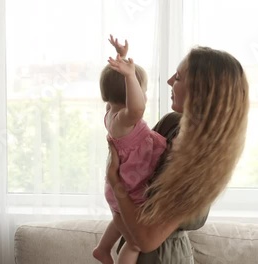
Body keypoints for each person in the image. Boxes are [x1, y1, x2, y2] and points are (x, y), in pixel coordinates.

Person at [106, 43, 249, 263]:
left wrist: (114, 182)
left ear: (202, 91)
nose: (169, 81)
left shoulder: (203, 160)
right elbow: (129, 167)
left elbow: (146, 239)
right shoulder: (170, 124)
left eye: (179, 77)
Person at [93, 35, 167, 264]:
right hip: (131, 191)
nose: (143, 94)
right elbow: (137, 107)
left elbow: (118, 86)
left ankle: (102, 250)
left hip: (122, 186)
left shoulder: (111, 112)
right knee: (135, 242)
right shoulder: (124, 119)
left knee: (119, 220)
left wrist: (121, 60)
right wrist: (129, 75)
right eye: (141, 88)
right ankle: (107, 252)